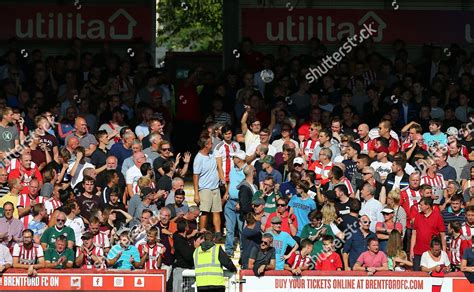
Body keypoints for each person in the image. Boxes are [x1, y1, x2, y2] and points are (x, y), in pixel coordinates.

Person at [193, 134, 222, 234]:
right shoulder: (199, 158)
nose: (212, 144)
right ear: (206, 145)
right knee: (204, 212)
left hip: (215, 188)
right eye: (210, 143)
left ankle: (218, 233)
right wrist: (196, 193)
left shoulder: (212, 154)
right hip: (205, 189)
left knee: (216, 211)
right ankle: (202, 231)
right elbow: (195, 177)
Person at [411, 197, 446, 271]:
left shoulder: (437, 216)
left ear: (428, 206)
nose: (419, 207)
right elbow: (414, 234)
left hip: (432, 252)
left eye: (421, 205)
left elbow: (442, 235)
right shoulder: (418, 216)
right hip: (418, 251)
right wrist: (411, 250)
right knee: (417, 274)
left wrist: (444, 251)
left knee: (430, 273)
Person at [224, 149, 247, 256]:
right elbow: (230, 183)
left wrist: (241, 202)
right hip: (230, 202)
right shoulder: (233, 169)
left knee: (242, 228)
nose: (232, 159)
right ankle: (228, 250)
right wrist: (227, 192)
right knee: (229, 228)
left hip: (240, 203)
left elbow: (246, 187)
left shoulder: (246, 170)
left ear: (239, 159)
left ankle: (243, 251)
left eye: (234, 157)